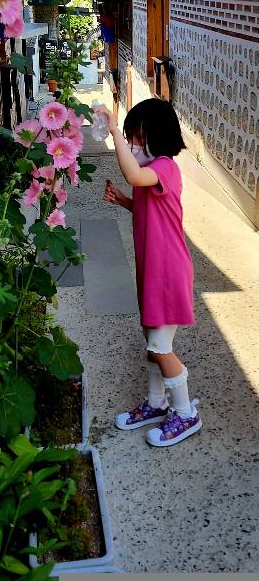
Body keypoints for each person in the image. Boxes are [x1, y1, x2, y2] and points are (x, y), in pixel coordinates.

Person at [97, 98, 201, 448]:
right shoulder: (149, 177)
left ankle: (185, 413)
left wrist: (112, 132)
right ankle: (157, 404)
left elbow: (133, 173)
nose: (133, 144)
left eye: (137, 138)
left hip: (168, 273)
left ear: (157, 137)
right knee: (152, 344)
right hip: (152, 273)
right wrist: (125, 202)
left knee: (160, 346)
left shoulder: (165, 168)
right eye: (130, 137)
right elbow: (147, 207)